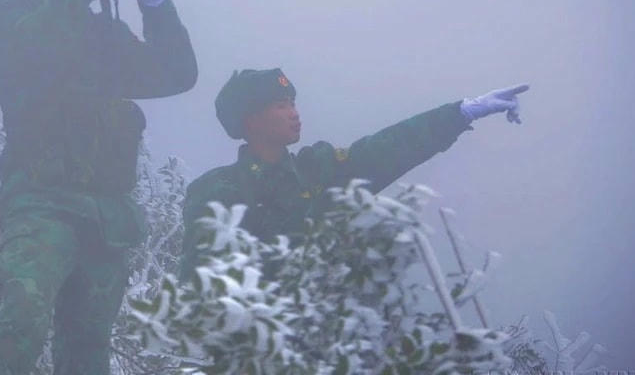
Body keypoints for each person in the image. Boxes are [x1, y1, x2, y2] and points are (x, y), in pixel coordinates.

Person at [0, 0, 197, 375]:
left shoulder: (102, 34)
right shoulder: (16, 15)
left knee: (86, 359)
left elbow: (177, 74)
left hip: (106, 214)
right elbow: (39, 49)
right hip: (42, 201)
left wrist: (155, 0)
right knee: (21, 319)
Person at [179, 68, 528, 281]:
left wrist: (463, 112)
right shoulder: (218, 190)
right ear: (251, 120)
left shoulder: (317, 170)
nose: (294, 113)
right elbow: (200, 289)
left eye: (293, 103)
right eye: (281, 105)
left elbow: (385, 149)